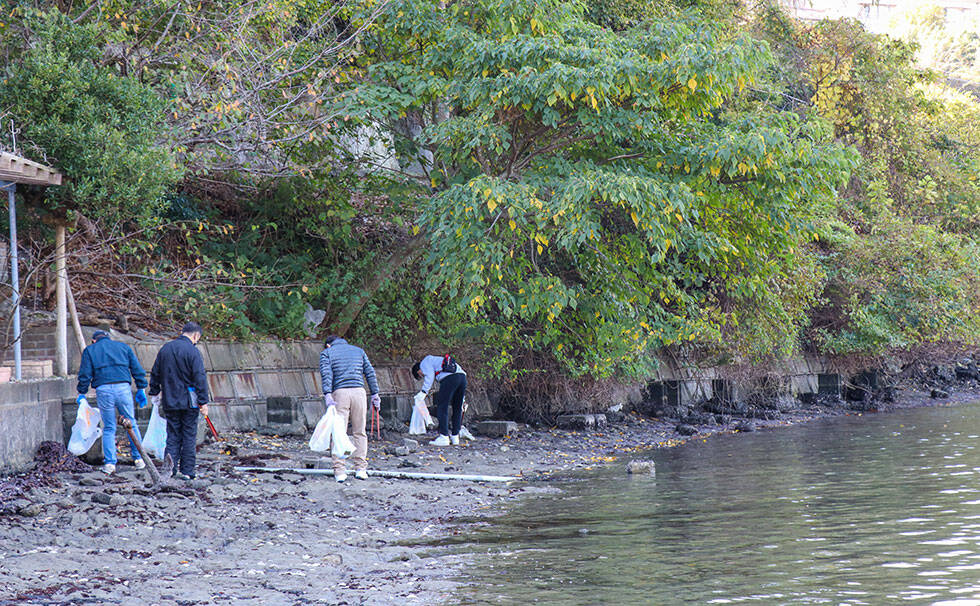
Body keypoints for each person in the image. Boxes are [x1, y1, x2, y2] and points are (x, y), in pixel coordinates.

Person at [76, 330, 148, 474]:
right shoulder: (123, 347)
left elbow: (85, 374)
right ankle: (139, 459)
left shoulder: (90, 350)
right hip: (123, 388)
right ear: (108, 338)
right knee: (131, 423)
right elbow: (136, 369)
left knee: (109, 427)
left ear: (94, 340)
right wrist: (141, 387)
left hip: (103, 389)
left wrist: (81, 392)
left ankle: (110, 464)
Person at [148, 321, 209, 480]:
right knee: (189, 435)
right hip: (190, 401)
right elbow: (199, 378)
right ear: (196, 335)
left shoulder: (165, 349)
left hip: (169, 399)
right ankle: (188, 471)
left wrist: (154, 392)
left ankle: (170, 470)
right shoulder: (193, 352)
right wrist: (203, 402)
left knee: (172, 434)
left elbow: (155, 373)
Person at [319, 335, 381, 483]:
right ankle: (361, 469)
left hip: (340, 393)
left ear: (328, 345)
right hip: (359, 392)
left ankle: (340, 471)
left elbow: (326, 374)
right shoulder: (359, 351)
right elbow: (370, 373)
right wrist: (375, 394)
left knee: (339, 432)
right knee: (360, 431)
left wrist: (327, 393)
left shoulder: (327, 353)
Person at [412, 355, 467, 446]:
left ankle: (444, 437)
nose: (423, 376)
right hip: (462, 378)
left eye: (420, 375)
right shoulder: (437, 361)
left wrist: (423, 392)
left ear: (418, 370)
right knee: (457, 408)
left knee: (442, 407)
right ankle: (455, 437)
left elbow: (429, 376)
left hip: (450, 378)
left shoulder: (425, 362)